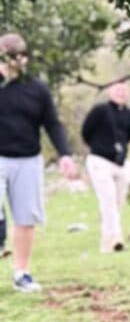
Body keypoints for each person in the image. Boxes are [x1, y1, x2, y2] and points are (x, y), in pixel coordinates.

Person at [0, 31, 80, 293]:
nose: (10, 63)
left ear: (24, 58)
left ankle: (21, 273)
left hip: (28, 160)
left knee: (26, 218)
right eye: (5, 57)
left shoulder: (37, 89)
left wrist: (65, 154)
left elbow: (52, 124)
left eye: (15, 57)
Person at [82, 79, 130, 253]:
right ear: (110, 91)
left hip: (121, 163)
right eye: (117, 89)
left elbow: (128, 136)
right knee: (108, 199)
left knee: (117, 202)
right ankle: (114, 240)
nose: (121, 93)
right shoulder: (100, 111)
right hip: (100, 160)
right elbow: (86, 132)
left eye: (124, 89)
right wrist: (101, 148)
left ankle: (108, 237)